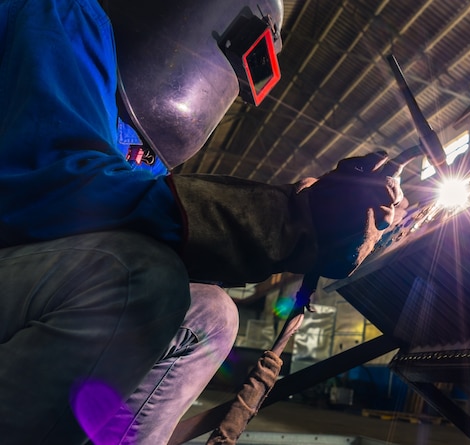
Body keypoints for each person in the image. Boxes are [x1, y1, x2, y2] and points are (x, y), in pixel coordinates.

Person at [0, 0, 405, 443]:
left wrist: (312, 211)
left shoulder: (139, 136)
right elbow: (51, 192)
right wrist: (286, 220)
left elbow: (135, 223)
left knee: (212, 314)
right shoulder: (55, 14)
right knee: (140, 277)